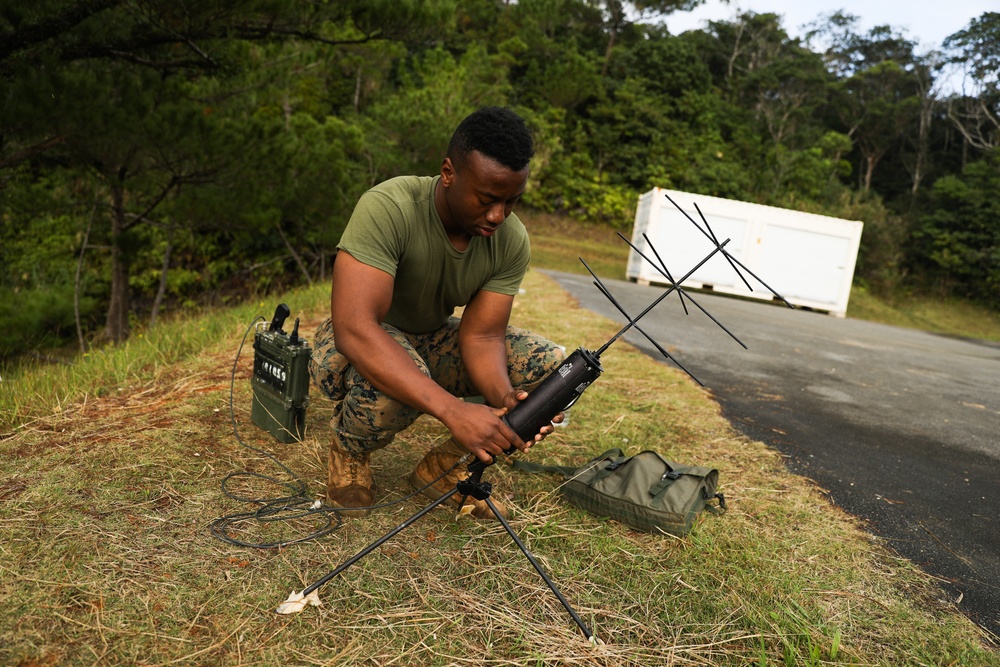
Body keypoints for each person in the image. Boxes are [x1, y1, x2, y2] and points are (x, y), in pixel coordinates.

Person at [309, 106, 565, 520]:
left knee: (554, 370)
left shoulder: (510, 240)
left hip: (430, 337)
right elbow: (355, 328)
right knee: (397, 384)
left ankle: (444, 469)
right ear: (448, 172)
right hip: (357, 340)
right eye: (486, 200)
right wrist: (453, 410)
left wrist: (504, 403)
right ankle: (348, 451)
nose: (498, 216)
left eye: (512, 201)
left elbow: (482, 337)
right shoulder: (389, 207)